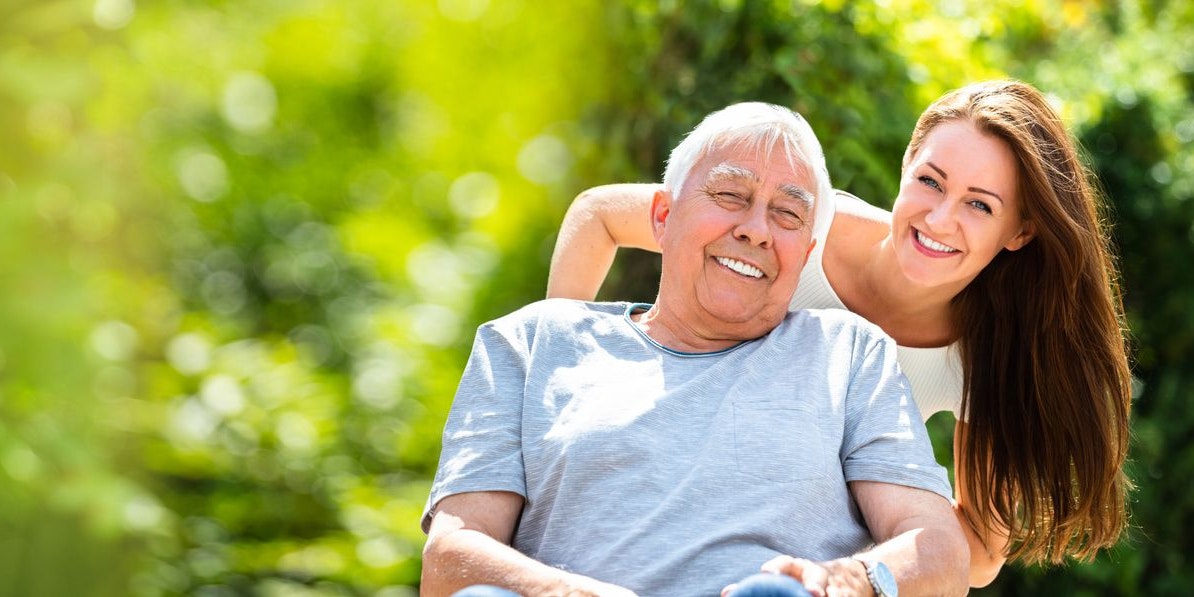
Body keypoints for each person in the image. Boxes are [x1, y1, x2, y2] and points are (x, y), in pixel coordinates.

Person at [546, 79, 1133, 586]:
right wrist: (552, 384)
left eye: (979, 206)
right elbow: (599, 214)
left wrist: (850, 509)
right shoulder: (800, 228)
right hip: (657, 475)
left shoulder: (986, 355)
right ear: (906, 166)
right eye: (931, 181)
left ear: (1020, 231)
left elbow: (977, 556)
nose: (939, 218)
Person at [421, 102, 970, 597]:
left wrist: (845, 581)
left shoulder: (849, 355)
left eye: (787, 214)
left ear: (804, 256)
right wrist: (567, 594)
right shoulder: (528, 342)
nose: (756, 230)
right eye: (731, 195)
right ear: (662, 216)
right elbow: (450, 559)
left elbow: (938, 549)